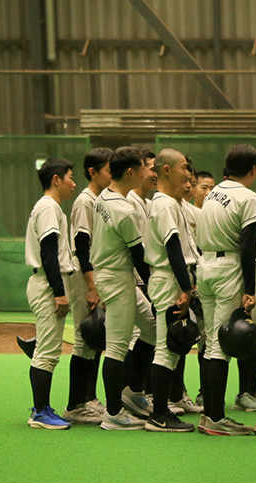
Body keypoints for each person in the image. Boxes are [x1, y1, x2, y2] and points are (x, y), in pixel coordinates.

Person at [196, 144, 256, 436]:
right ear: (253, 170)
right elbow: (248, 246)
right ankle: (215, 418)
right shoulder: (249, 198)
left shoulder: (213, 192)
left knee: (211, 340)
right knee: (221, 344)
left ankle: (208, 415)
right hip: (228, 267)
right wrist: (250, 288)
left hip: (205, 265)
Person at [91, 146, 151, 430]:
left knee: (151, 328)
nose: (145, 172)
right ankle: (113, 413)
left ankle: (132, 392)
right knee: (115, 348)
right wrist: (154, 289)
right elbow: (139, 256)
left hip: (114, 276)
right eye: (142, 167)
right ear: (130, 172)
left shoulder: (104, 196)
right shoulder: (124, 210)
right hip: (117, 279)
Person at [143, 148, 197, 433]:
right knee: (165, 348)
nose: (187, 173)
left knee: (173, 347)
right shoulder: (163, 204)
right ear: (166, 170)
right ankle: (159, 414)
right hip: (168, 280)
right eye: (183, 167)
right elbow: (173, 248)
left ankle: (162, 411)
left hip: (172, 278)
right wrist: (185, 288)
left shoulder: (171, 203)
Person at [24, 158, 78, 429]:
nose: (73, 182)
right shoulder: (48, 206)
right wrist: (58, 292)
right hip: (47, 285)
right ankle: (40, 412)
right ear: (56, 179)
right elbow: (48, 253)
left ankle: (41, 408)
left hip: (48, 284)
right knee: (46, 352)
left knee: (48, 350)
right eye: (70, 176)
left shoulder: (51, 207)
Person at [63, 148, 113, 425]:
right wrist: (91, 285)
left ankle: (89, 399)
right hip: (84, 277)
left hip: (95, 275)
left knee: (95, 339)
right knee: (84, 338)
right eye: (108, 169)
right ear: (93, 172)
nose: (111, 174)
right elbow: (82, 247)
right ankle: (75, 404)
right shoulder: (85, 201)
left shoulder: (102, 199)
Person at [121, 149, 160, 418]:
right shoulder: (131, 201)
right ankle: (127, 395)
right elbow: (134, 249)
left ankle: (135, 393)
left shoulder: (146, 202)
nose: (155, 173)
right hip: (129, 281)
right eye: (150, 168)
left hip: (140, 280)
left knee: (145, 335)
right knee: (125, 341)